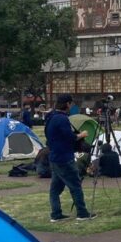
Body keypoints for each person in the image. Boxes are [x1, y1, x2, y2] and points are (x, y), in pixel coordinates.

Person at [44, 94, 95, 222]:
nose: (71, 106)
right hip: (64, 158)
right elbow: (70, 138)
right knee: (75, 186)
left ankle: (56, 214)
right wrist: (81, 135)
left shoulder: (50, 117)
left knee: (55, 188)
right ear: (67, 104)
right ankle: (82, 213)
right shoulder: (62, 119)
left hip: (54, 156)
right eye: (71, 103)